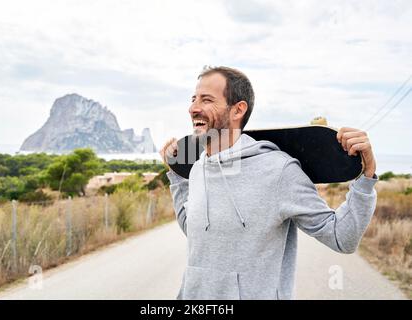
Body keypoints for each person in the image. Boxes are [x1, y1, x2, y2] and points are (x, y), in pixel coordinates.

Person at [159, 66, 378, 300]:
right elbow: (195, 233)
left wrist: (367, 178)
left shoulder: (279, 171)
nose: (194, 108)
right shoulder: (199, 167)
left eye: (206, 99)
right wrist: (177, 177)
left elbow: (341, 237)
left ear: (237, 110)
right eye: (194, 99)